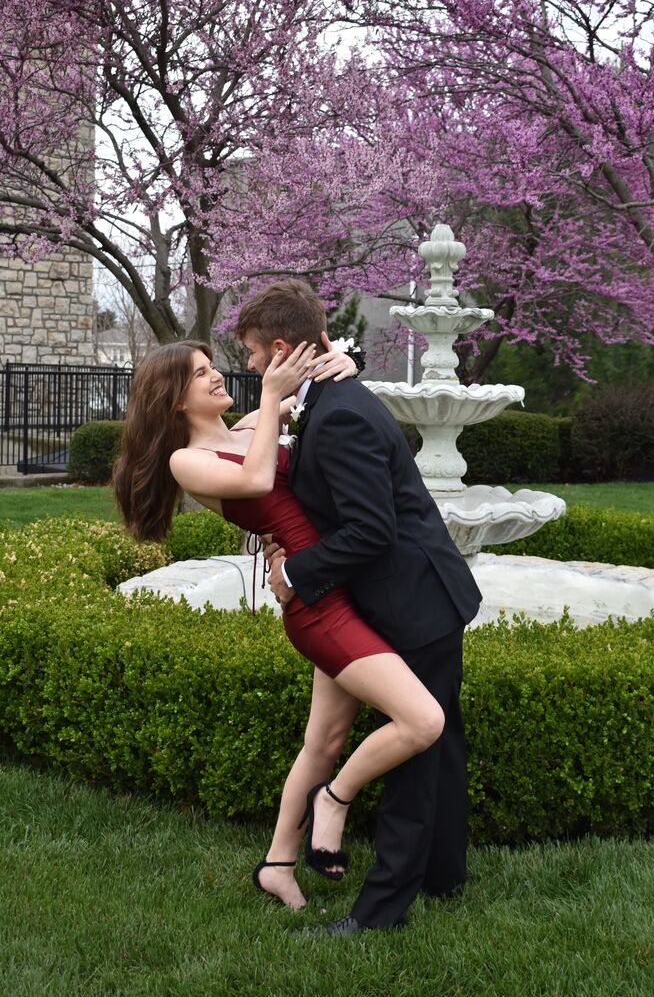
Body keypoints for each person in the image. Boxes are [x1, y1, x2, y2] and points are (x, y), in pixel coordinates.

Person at [112, 336, 445, 913]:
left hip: (337, 585)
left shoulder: (244, 429)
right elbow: (259, 480)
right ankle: (334, 802)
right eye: (200, 375)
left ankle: (277, 865)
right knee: (423, 721)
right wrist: (270, 401)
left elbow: (312, 386)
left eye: (214, 367)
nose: (217, 377)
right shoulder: (188, 460)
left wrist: (346, 360)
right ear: (172, 401)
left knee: (323, 742)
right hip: (318, 608)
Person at [235, 279, 482, 937]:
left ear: (284, 347)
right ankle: (443, 875)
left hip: (416, 604)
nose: (252, 368)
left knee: (416, 758)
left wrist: (296, 572)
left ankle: (378, 915)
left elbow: (370, 531)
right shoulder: (329, 396)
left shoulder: (340, 411)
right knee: (442, 746)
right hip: (427, 593)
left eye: (256, 356)